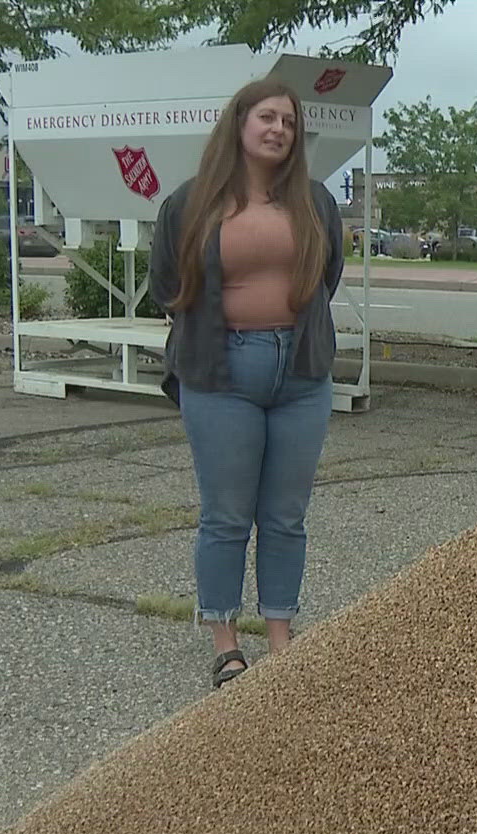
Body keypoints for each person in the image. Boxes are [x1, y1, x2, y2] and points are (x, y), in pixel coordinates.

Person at [149, 79, 345, 688]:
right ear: (238, 124)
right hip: (220, 373)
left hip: (302, 373)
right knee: (227, 515)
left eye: (288, 121)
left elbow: (328, 274)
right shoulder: (191, 203)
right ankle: (227, 642)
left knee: (286, 516)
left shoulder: (315, 202)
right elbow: (165, 285)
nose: (278, 130)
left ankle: (282, 640)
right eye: (267, 117)